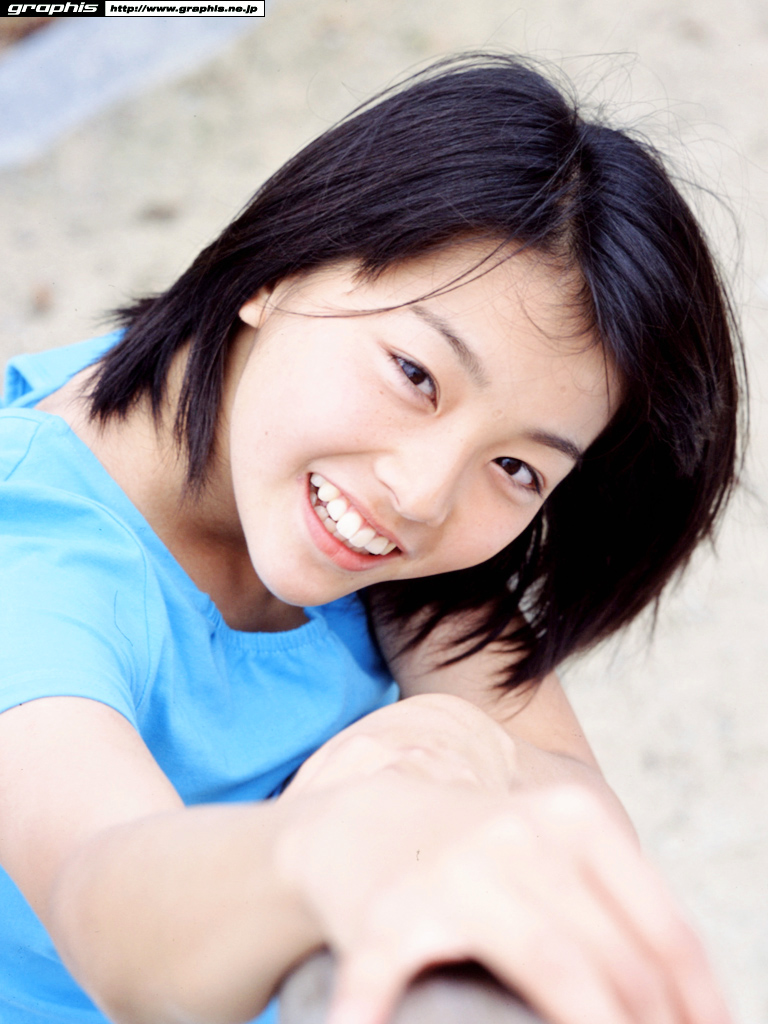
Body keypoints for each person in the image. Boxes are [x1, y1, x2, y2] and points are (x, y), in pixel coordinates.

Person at [0, 52, 741, 1024]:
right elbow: (104, 897)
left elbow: (582, 809)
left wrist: (456, 743)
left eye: (518, 466)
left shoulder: (337, 491)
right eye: (416, 374)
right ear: (278, 268)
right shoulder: (35, 555)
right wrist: (328, 845)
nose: (424, 492)